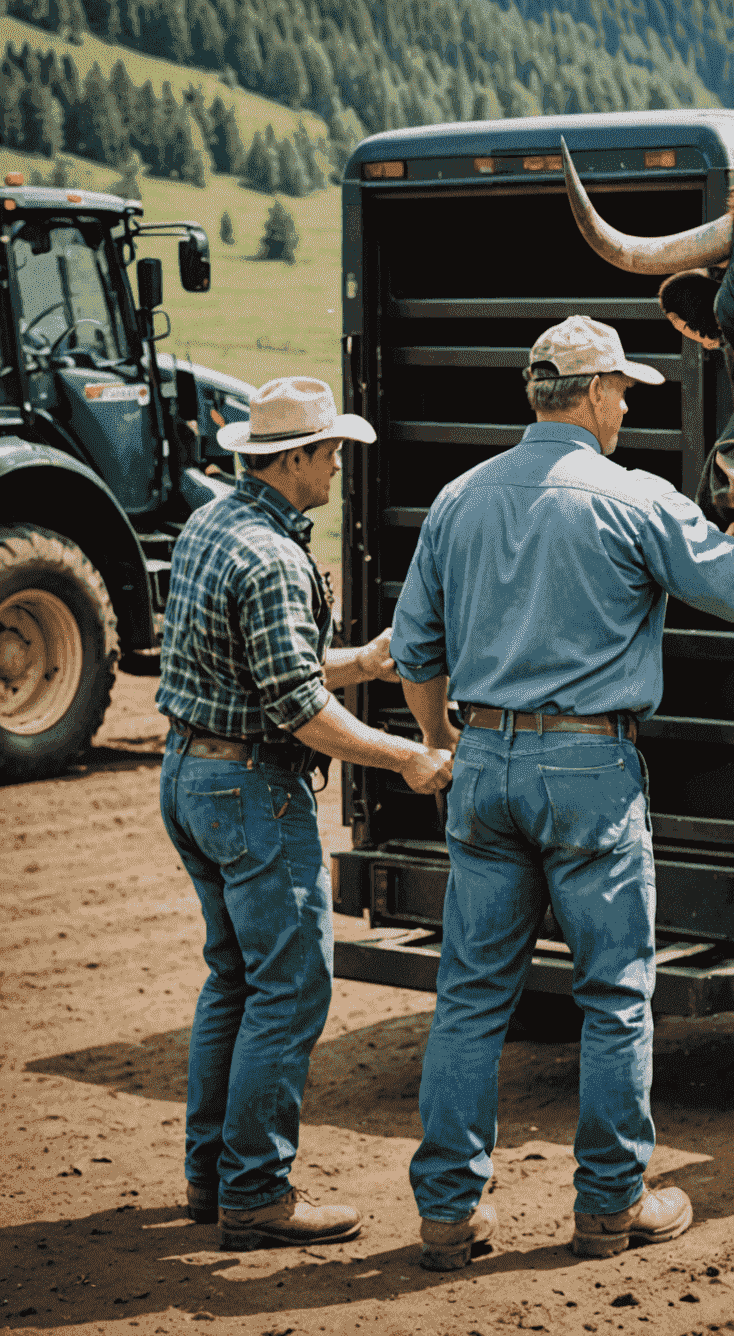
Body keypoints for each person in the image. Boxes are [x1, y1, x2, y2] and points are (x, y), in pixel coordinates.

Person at [393, 316, 734, 1271]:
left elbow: (416, 654)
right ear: (593, 394)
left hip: (482, 759)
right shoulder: (633, 500)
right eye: (625, 391)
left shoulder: (457, 499)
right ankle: (609, 1207)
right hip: (590, 770)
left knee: (470, 997)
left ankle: (448, 1216)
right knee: (615, 995)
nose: (630, 405)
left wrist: (441, 745)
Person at [156, 376, 455, 1252]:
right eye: (328, 452)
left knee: (236, 979)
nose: (336, 467)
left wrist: (361, 660)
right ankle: (256, 1193)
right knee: (289, 990)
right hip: (252, 792)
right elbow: (294, 707)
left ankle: (212, 1177)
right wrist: (407, 756)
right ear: (291, 459)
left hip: (191, 776)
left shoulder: (214, 524)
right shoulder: (278, 558)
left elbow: (257, 667)